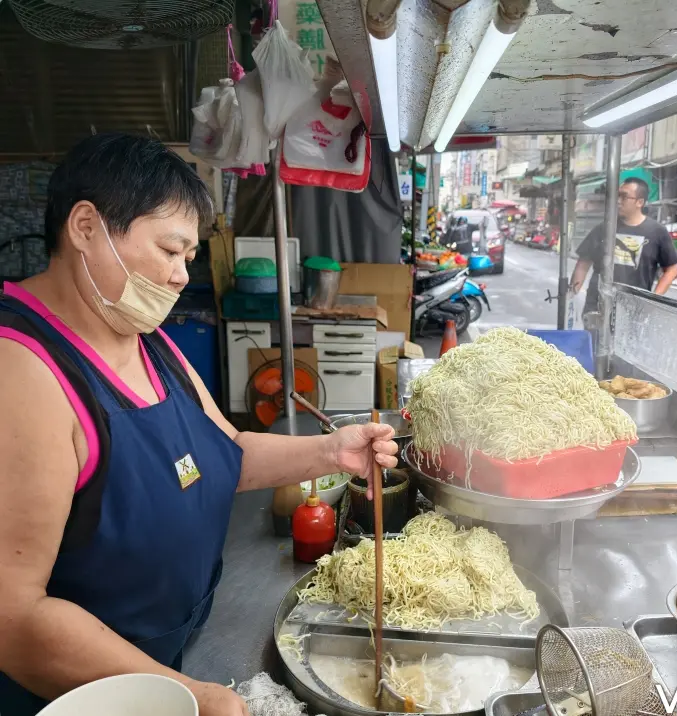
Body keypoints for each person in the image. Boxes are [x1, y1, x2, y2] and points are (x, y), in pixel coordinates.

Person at [0, 133, 399, 716]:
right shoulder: (22, 371)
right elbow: (13, 616)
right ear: (85, 227)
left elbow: (227, 450)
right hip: (83, 693)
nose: (183, 275)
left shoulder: (146, 339)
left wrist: (332, 452)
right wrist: (190, 696)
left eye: (188, 257)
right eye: (169, 249)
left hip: (164, 658)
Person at [570, 177, 677, 315]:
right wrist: (571, 295)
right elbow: (583, 264)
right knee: (594, 336)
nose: (618, 201)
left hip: (634, 310)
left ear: (640, 202)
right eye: (617, 195)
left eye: (624, 196)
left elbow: (672, 269)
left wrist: (653, 299)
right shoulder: (604, 228)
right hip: (598, 307)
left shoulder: (656, 232)